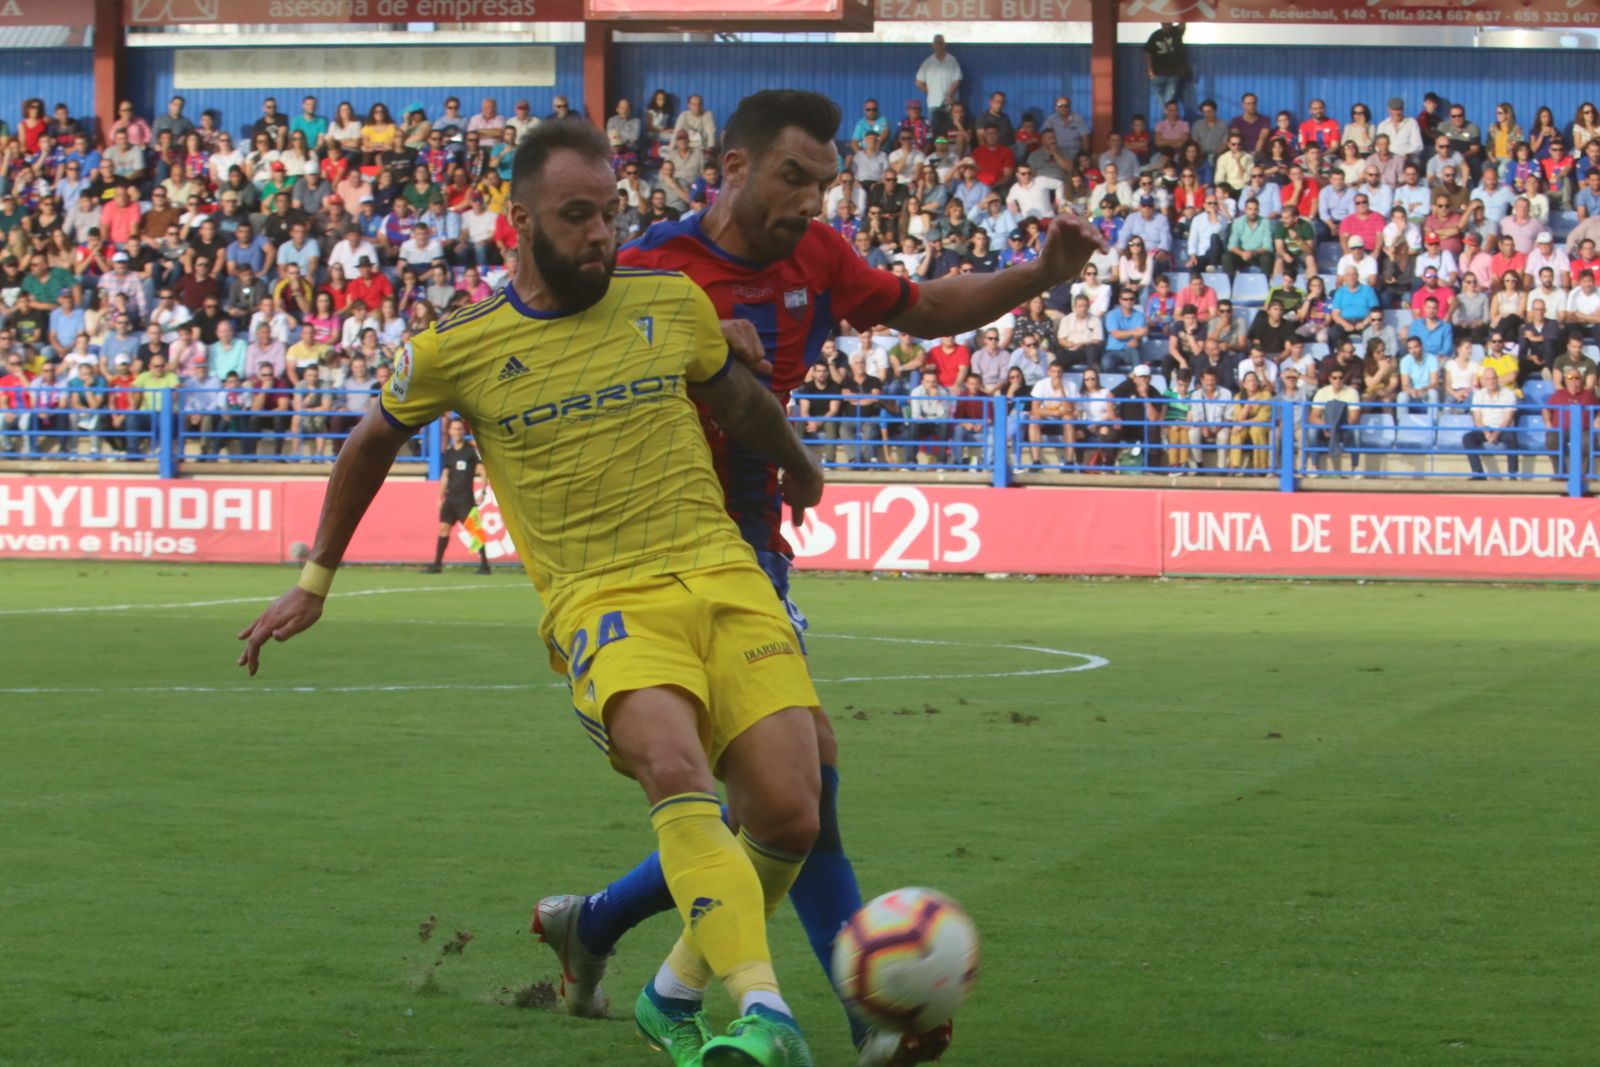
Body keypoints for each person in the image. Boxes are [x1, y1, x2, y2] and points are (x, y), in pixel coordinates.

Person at [237, 118, 836, 1067]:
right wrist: (316, 580)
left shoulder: (669, 302)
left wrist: (799, 469)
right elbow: (368, 442)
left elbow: (737, 401)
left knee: (791, 814)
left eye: (610, 213)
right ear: (518, 218)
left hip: (724, 573)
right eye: (577, 216)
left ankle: (667, 994)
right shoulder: (457, 348)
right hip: (602, 599)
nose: (601, 234)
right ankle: (767, 1015)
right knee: (676, 773)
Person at [532, 88, 1104, 1067]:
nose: (809, 201)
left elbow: (919, 308)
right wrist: (693, 353)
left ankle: (597, 924)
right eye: (793, 177)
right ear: (734, 167)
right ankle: (856, 1012)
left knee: (787, 796)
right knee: (787, 795)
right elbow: (559, 367)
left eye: (823, 183)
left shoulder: (819, 258)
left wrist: (1038, 274)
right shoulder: (648, 268)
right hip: (639, 551)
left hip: (743, 544)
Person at [419, 417, 491, 574]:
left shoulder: (470, 450)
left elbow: (483, 471)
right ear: (449, 431)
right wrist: (440, 497)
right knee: (443, 529)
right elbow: (445, 476)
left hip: (465, 497)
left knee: (474, 529)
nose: (457, 432)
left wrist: (483, 490)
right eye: (454, 429)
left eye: (460, 429)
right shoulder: (449, 452)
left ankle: (485, 565)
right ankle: (437, 564)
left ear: (463, 431)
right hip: (450, 497)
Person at [1463, 367, 1520, 479]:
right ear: (1483, 381)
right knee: (1467, 438)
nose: (1491, 382)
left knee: (1512, 437)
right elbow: (1477, 419)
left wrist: (1496, 434)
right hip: (1485, 428)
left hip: (1503, 429)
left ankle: (1512, 475)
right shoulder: (1478, 395)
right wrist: (1486, 433)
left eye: (1493, 378)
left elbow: (1507, 419)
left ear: (1497, 379)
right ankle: (1478, 473)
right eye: (1487, 379)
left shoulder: (1509, 394)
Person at [1144, 23, 1189, 115]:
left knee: (1168, 100)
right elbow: (1148, 53)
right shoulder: (1156, 35)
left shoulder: (1175, 31)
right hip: (1158, 73)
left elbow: (1183, 24)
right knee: (1163, 99)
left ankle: (1167, 116)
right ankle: (1167, 117)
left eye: (1169, 23)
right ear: (1161, 23)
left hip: (1172, 74)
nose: (1167, 25)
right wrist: (1150, 71)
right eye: (1165, 23)